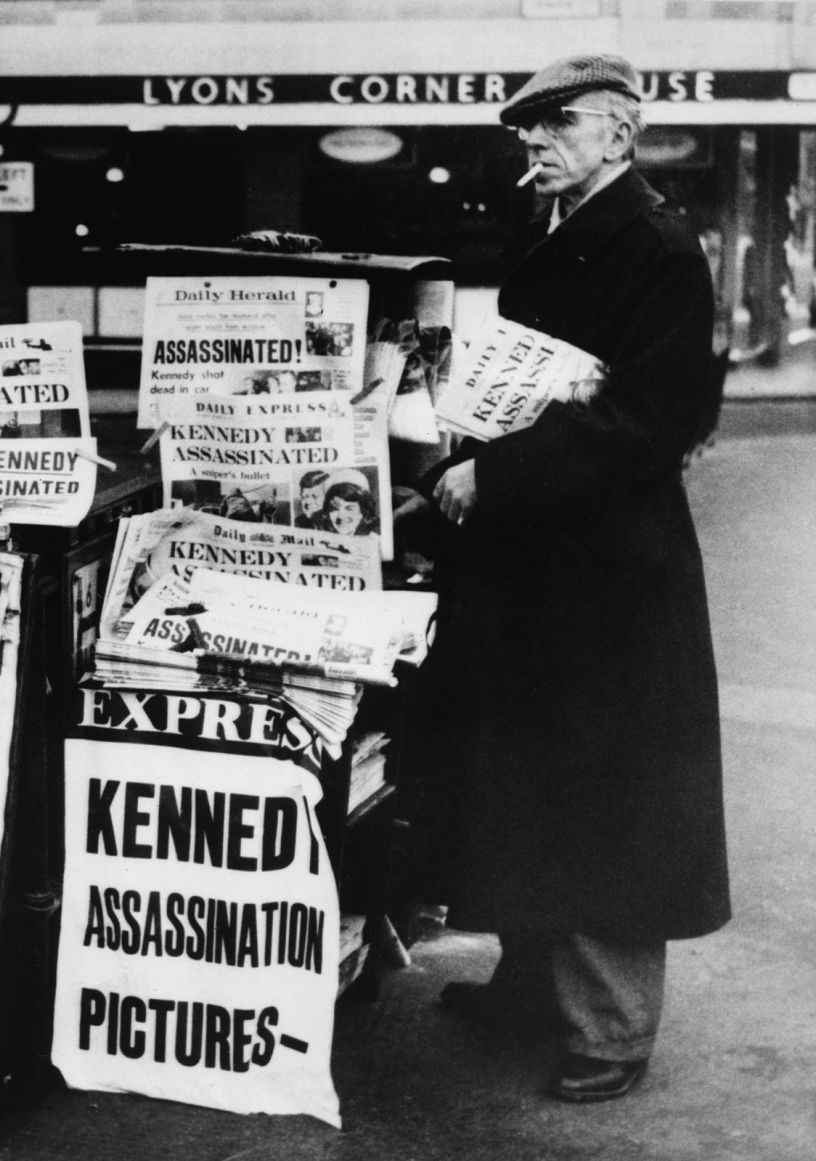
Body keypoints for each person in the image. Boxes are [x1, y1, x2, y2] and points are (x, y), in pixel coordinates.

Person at [392, 53, 730, 1105]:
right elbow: (520, 385)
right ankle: (531, 985)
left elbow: (647, 419)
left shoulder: (657, 246)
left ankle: (611, 1031)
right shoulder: (552, 228)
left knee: (609, 792)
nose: (532, 142)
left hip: (607, 575)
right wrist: (456, 456)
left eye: (556, 125)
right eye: (526, 128)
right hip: (540, 561)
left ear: (617, 135)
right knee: (528, 777)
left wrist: (493, 475)